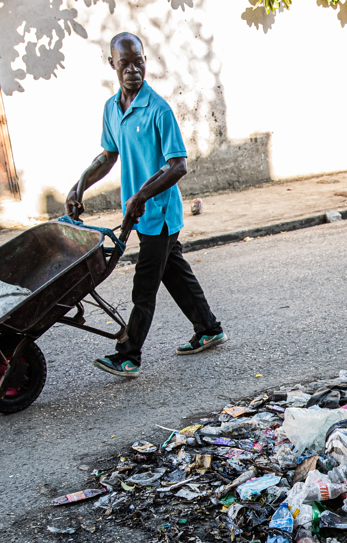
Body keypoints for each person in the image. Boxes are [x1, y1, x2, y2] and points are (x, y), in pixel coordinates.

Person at [64, 32, 226, 378]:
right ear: (112, 64)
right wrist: (79, 186)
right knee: (173, 272)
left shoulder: (158, 109)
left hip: (160, 213)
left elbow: (177, 165)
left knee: (144, 286)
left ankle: (129, 356)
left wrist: (142, 195)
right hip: (140, 213)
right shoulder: (112, 108)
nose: (133, 70)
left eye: (138, 62)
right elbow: (108, 155)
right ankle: (209, 328)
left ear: (145, 62)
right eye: (124, 64)